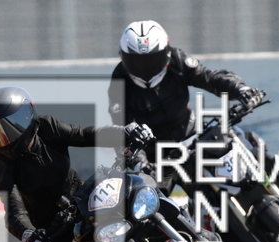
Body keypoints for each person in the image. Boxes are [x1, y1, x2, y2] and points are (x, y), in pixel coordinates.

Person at [0, 86, 153, 242]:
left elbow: (86, 134)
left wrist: (124, 132)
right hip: (46, 225)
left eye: (8, 129)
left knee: (134, 214)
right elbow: (13, 209)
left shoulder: (47, 127)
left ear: (27, 117)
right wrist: (28, 233)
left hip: (81, 198)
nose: (3, 139)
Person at [107, 20, 265, 191]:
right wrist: (141, 164)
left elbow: (209, 78)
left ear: (167, 53)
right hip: (159, 159)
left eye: (152, 60)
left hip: (192, 137)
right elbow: (123, 130)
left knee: (244, 142)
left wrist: (241, 90)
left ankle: (268, 180)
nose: (145, 68)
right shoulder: (118, 82)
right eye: (137, 62)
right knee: (151, 200)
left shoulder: (177, 60)